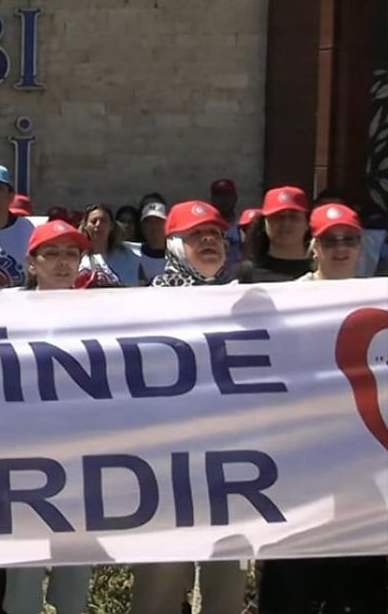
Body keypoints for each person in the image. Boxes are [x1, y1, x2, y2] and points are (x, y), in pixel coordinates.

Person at [256, 203, 386, 613]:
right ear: (313, 246)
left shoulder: (377, 300)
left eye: (349, 239)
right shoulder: (286, 302)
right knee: (292, 584)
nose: (341, 248)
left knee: (360, 588)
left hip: (363, 468)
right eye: (330, 241)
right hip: (299, 464)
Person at [134, 201, 246, 614]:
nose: (209, 241)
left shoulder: (243, 304)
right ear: (174, 245)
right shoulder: (146, 307)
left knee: (226, 582)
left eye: (215, 234)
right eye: (197, 235)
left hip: (231, 464)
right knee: (161, 585)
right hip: (166, 467)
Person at [4, 221, 94, 614]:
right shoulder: (6, 313)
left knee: (75, 577)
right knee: (24, 574)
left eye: (71, 254)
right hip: (25, 456)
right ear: (31, 263)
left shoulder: (102, 314)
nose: (63, 263)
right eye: (52, 254)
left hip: (83, 457)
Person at [238, 186, 311, 283]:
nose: (286, 223)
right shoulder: (248, 274)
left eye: (294, 217)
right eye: (277, 217)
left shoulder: (321, 272)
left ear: (307, 224)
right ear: (265, 223)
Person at [78, 203, 140, 286]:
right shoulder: (77, 257)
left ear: (111, 226)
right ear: (85, 226)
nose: (98, 225)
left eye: (103, 221)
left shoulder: (130, 253)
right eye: (93, 221)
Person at [136, 201, 168, 284]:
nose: (154, 227)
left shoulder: (179, 254)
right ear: (142, 226)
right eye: (149, 222)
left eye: (158, 221)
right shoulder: (133, 254)